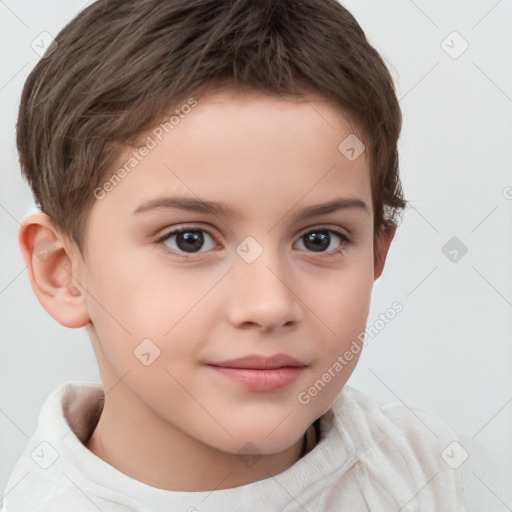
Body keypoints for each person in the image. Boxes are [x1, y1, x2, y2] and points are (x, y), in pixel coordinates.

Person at [2, 0, 466, 510]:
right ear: (62, 271)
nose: (269, 305)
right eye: (189, 240)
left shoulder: (421, 464)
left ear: (378, 255)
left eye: (320, 239)